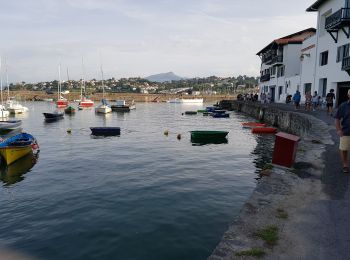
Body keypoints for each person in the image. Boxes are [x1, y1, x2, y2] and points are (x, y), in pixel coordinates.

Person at [335, 89, 350, 173]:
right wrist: (338, 130)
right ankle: (345, 165)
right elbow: (337, 118)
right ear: (348, 95)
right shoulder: (343, 105)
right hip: (346, 131)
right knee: (344, 149)